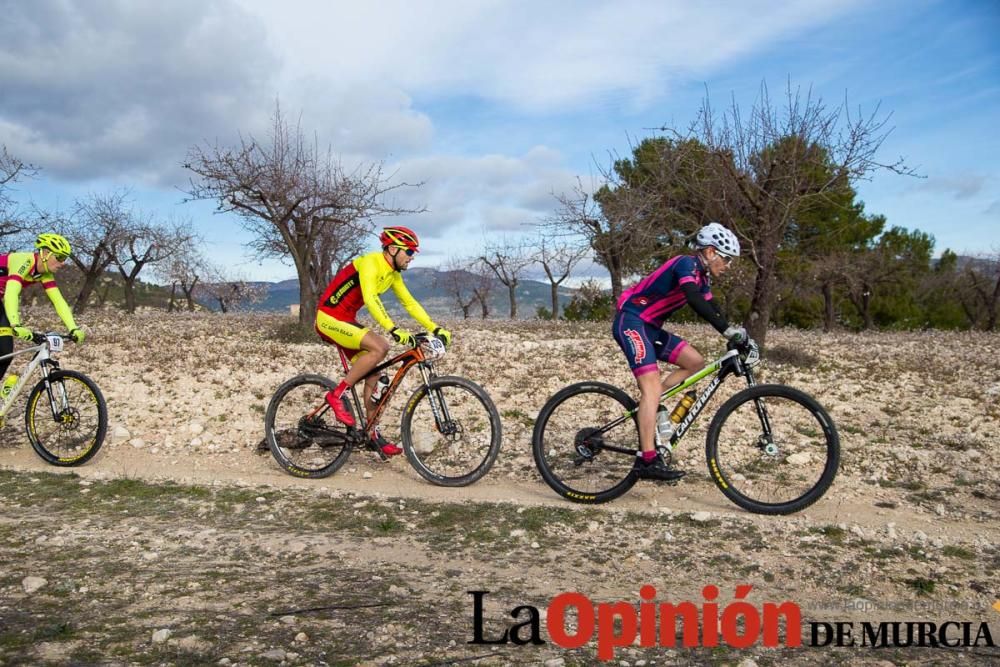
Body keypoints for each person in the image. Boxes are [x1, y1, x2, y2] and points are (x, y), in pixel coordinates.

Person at [612, 222, 747, 481]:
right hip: (631, 321)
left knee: (695, 361)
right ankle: (647, 461)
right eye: (727, 259)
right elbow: (694, 299)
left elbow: (712, 305)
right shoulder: (685, 264)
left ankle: (651, 404)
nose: (728, 265)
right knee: (649, 388)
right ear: (710, 252)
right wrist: (726, 331)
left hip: (649, 328)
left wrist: (733, 331)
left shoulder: (702, 277)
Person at [314, 226, 451, 457]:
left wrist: (434, 328)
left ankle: (372, 435)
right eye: (409, 251)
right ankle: (336, 395)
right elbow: (370, 297)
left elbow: (409, 303)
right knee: (381, 347)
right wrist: (393, 329)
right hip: (329, 318)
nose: (412, 257)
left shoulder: (393, 274)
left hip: (346, 320)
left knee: (374, 374)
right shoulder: (370, 263)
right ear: (393, 249)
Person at [1, 233, 85, 388]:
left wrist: (73, 327)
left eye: (65, 258)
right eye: (59, 257)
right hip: (4, 297)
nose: (62, 263)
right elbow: (11, 292)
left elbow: (58, 301)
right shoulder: (24, 260)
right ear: (45, 253)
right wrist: (15, 324)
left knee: (5, 351)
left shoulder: (44, 274)